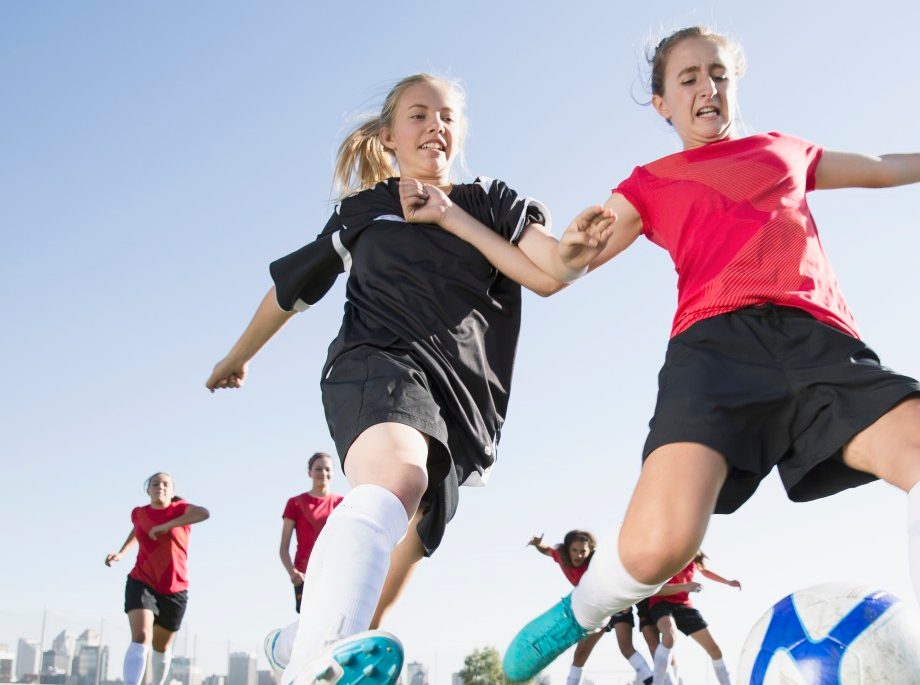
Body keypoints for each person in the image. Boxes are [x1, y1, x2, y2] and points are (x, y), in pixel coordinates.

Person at [487, 26, 920, 685]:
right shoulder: (647, 183)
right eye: (687, 78)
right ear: (662, 103)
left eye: (718, 73)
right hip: (714, 353)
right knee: (664, 544)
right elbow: (558, 269)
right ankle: (584, 606)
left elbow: (882, 167)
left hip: (821, 342)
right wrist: (561, 244)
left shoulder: (786, 150)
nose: (706, 87)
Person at [207, 72, 614, 685]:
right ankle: (309, 660)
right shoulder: (364, 212)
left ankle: (303, 640)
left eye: (447, 115)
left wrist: (576, 247)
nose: (435, 126)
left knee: (401, 557)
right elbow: (288, 295)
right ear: (390, 136)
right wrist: (238, 356)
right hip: (373, 361)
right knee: (399, 475)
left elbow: (550, 268)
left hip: (456, 402)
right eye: (419, 115)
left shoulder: (493, 204)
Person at [105, 472, 210, 685]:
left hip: (175, 588)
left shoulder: (181, 510)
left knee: (161, 648)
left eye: (165, 484)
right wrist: (121, 553)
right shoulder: (139, 513)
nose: (160, 487)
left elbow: (204, 513)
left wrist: (167, 526)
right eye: (155, 484)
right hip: (142, 581)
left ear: (172, 491)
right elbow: (137, 529)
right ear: (148, 490)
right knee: (142, 636)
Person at [528, 531, 655, 685]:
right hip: (595, 611)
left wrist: (625, 602)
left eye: (583, 551)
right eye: (575, 550)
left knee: (626, 648)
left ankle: (655, 682)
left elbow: (619, 578)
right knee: (580, 655)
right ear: (568, 549)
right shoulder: (562, 556)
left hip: (616, 604)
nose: (579, 555)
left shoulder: (597, 563)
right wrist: (537, 544)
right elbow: (547, 550)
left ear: (590, 552)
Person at [647, 551, 740, 685]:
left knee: (715, 650)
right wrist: (685, 587)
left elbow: (704, 570)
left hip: (684, 606)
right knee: (669, 637)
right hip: (661, 603)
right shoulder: (666, 554)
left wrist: (727, 582)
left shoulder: (694, 555)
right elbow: (656, 589)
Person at [280, 453, 344, 613]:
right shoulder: (295, 503)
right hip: (304, 575)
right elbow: (283, 548)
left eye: (327, 469)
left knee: (334, 618)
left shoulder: (342, 504)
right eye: (318, 469)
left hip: (334, 571)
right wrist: (292, 573)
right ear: (310, 473)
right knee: (310, 620)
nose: (323, 473)